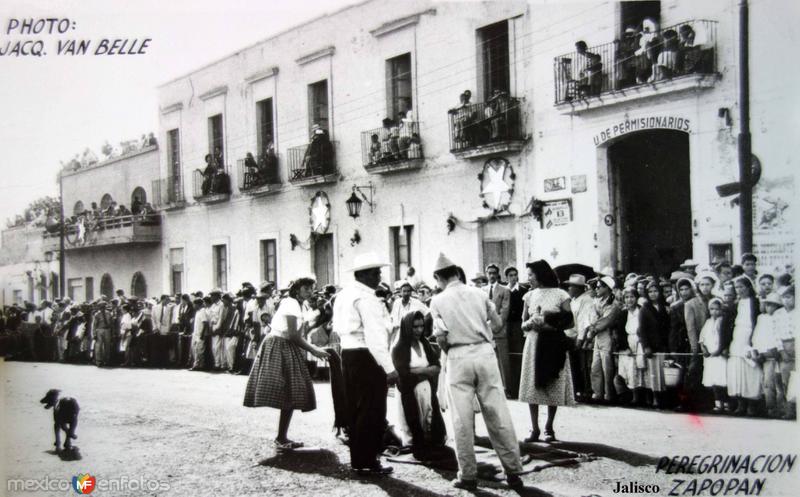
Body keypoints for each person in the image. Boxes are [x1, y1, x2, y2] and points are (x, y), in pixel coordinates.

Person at [429, 253, 523, 491]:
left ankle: (468, 475)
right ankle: (513, 472)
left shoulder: (438, 300)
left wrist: (455, 342)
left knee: (461, 418)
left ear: (439, 277)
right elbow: (499, 324)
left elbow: (440, 337)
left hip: (458, 355)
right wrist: (480, 331)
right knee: (498, 412)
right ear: (457, 273)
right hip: (484, 352)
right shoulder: (480, 293)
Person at [244, 276, 328, 450]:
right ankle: (281, 438)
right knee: (288, 390)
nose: (310, 292)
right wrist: (314, 350)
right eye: (306, 289)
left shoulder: (300, 305)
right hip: (279, 344)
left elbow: (299, 331)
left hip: (286, 345)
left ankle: (282, 437)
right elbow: (292, 334)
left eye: (312, 289)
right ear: (297, 290)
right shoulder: (290, 303)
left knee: (291, 390)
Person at [333, 252, 397, 475]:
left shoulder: (344, 295)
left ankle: (360, 460)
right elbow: (375, 337)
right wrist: (389, 368)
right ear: (364, 275)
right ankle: (369, 460)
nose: (379, 275)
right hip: (366, 354)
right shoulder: (367, 298)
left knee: (356, 408)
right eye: (376, 272)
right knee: (372, 409)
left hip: (349, 354)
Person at [519, 260, 575, 444]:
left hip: (553, 343)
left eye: (530, 274)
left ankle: (549, 426)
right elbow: (523, 323)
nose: (528, 278)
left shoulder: (561, 294)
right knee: (532, 384)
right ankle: (534, 427)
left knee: (553, 383)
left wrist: (548, 322)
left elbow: (569, 321)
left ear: (541, 274)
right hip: (534, 343)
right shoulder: (529, 296)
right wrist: (531, 323)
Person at [391, 311, 448, 460]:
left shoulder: (425, 343)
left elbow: (437, 367)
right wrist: (425, 372)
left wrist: (419, 371)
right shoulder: (399, 348)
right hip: (408, 391)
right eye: (415, 327)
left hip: (426, 389)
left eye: (421, 326)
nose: (418, 330)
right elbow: (403, 372)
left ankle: (429, 436)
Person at [727, 276, 761, 416]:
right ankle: (741, 404)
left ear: (748, 287)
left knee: (751, 370)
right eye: (737, 288)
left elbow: (757, 321)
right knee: (737, 370)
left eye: (741, 287)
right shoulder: (736, 303)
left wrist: (754, 340)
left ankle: (752, 406)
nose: (739, 290)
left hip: (751, 337)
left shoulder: (755, 302)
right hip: (737, 337)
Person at [586, 276, 621, 403]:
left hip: (608, 335)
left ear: (607, 288)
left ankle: (609, 394)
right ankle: (597, 393)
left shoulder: (614, 303)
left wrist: (593, 329)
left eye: (600, 286)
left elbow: (606, 320)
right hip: (598, 336)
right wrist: (593, 327)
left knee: (607, 366)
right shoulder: (597, 302)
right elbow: (592, 318)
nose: (597, 288)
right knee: (595, 366)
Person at [751, 293, 784, 417]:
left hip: (775, 353)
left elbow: (777, 337)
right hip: (762, 354)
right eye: (768, 305)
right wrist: (756, 351)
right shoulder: (762, 318)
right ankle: (771, 408)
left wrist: (773, 351)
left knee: (776, 383)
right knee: (766, 382)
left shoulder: (780, 318)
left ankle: (780, 408)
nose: (770, 308)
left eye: (773, 306)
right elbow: (757, 336)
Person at [637, 281, 669, 408]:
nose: (653, 294)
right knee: (654, 372)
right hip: (651, 345)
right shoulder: (644, 309)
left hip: (663, 344)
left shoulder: (664, 307)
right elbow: (642, 330)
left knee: (664, 372)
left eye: (655, 291)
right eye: (650, 291)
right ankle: (655, 397)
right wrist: (646, 346)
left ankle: (665, 397)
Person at [567, 274, 595, 401]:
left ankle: (585, 391)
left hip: (579, 338)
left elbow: (584, 321)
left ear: (578, 288)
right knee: (573, 365)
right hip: (569, 336)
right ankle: (576, 390)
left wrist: (579, 340)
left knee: (582, 365)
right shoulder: (573, 300)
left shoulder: (586, 300)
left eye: (571, 286)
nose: (569, 289)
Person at [485, 263, 511, 393]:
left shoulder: (504, 290)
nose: (491, 276)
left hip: (499, 330)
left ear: (498, 274)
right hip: (484, 332)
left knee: (503, 361)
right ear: (486, 274)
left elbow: (504, 311)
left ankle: (507, 388)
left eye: (494, 273)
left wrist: (493, 327)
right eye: (489, 273)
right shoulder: (482, 291)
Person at [699, 298, 728, 412]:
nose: (714, 312)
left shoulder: (723, 321)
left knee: (722, 379)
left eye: (717, 309)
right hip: (710, 355)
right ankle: (717, 403)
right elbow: (702, 338)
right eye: (712, 309)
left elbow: (724, 338)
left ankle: (726, 403)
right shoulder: (708, 322)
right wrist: (704, 349)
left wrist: (719, 350)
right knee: (713, 380)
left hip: (720, 355)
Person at [504, 266, 528, 399]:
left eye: (515, 275)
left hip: (518, 326)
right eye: (511, 275)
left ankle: (520, 387)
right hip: (507, 326)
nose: (514, 277)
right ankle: (510, 387)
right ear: (507, 277)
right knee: (508, 356)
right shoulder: (504, 290)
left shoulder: (524, 291)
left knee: (519, 355)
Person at [389, 280, 428, 346]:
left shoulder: (416, 302)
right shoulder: (396, 303)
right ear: (400, 292)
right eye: (404, 291)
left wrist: (422, 327)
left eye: (408, 291)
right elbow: (392, 318)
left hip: (411, 335)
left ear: (411, 292)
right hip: (397, 334)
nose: (406, 293)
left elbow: (428, 313)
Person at [190, 298, 209, 371]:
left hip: (200, 334)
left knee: (200, 350)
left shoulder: (202, 311)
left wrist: (202, 334)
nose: (193, 306)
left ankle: (199, 365)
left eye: (194, 304)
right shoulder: (198, 312)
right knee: (195, 350)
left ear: (198, 304)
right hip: (196, 333)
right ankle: (197, 364)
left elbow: (205, 323)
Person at [92, 302, 113, 367]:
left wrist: (112, 331)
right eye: (101, 307)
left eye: (103, 307)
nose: (102, 308)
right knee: (99, 346)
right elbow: (94, 325)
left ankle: (107, 360)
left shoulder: (108, 313)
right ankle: (98, 361)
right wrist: (94, 334)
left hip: (107, 330)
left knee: (107, 346)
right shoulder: (97, 314)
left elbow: (111, 322)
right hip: (100, 330)